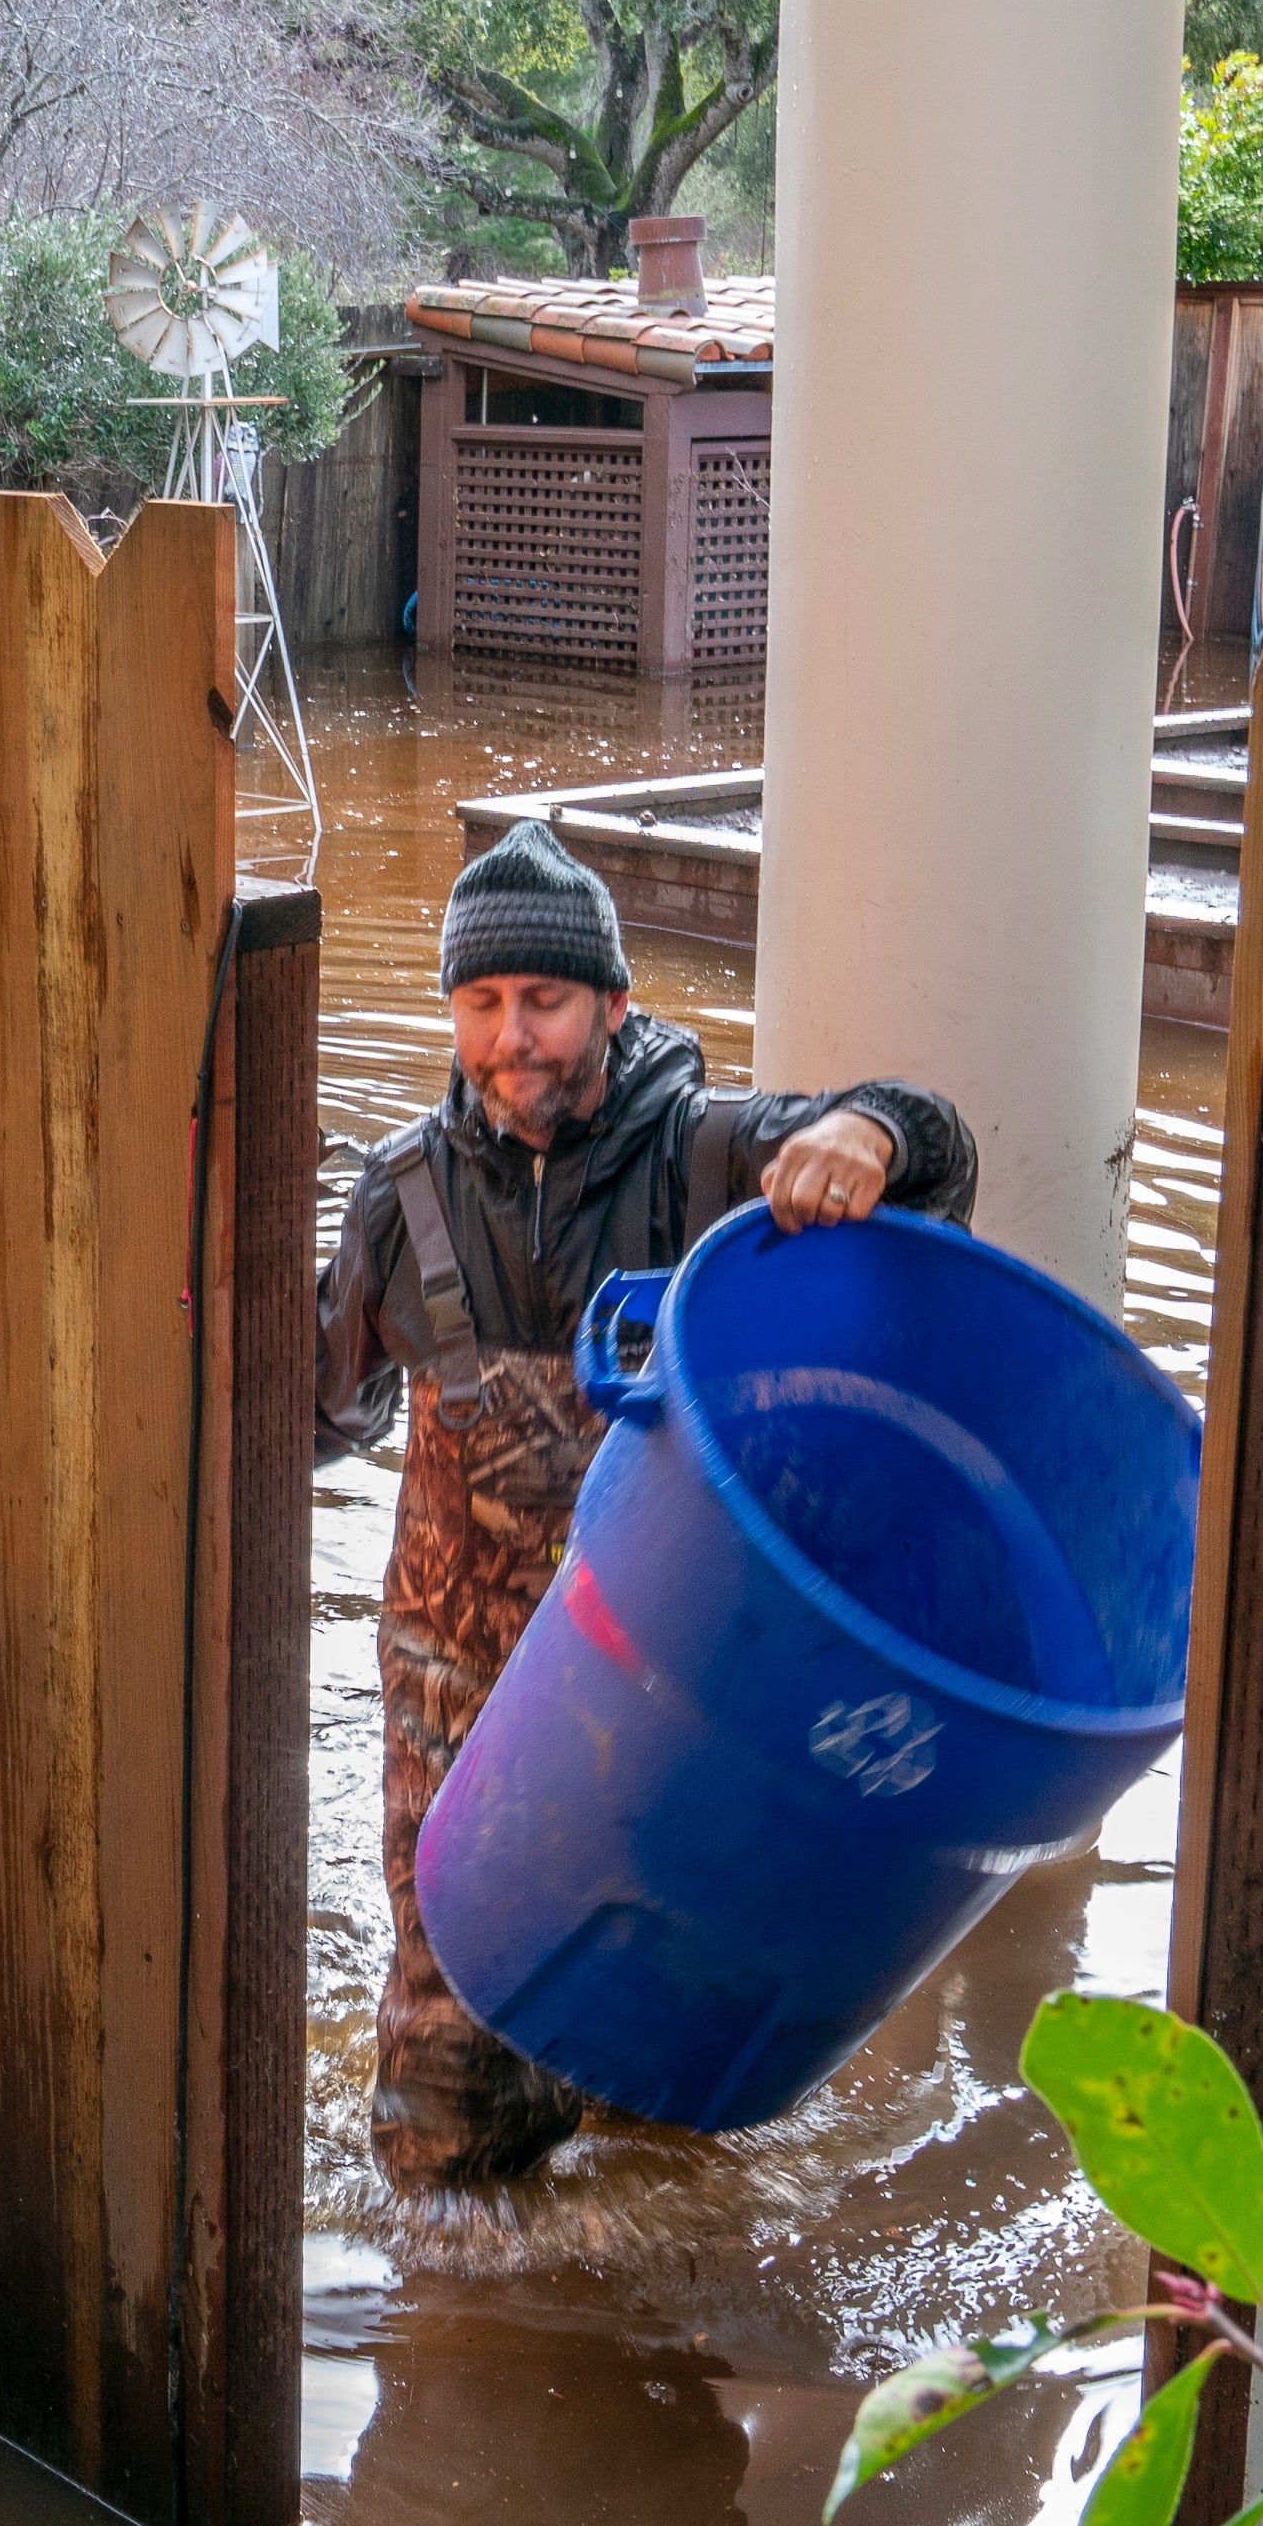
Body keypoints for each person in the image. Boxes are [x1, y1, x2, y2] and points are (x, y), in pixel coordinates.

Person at [316, 819, 975, 2199]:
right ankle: (459, 2328)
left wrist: (868, 1131)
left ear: (614, 1005)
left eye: (546, 1002)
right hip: (459, 1699)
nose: (514, 1040)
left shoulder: (717, 1161)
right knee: (441, 2112)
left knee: (670, 2084)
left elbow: (937, 1155)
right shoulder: (396, 1200)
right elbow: (316, 1416)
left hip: (683, 1696)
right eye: (483, 1004)